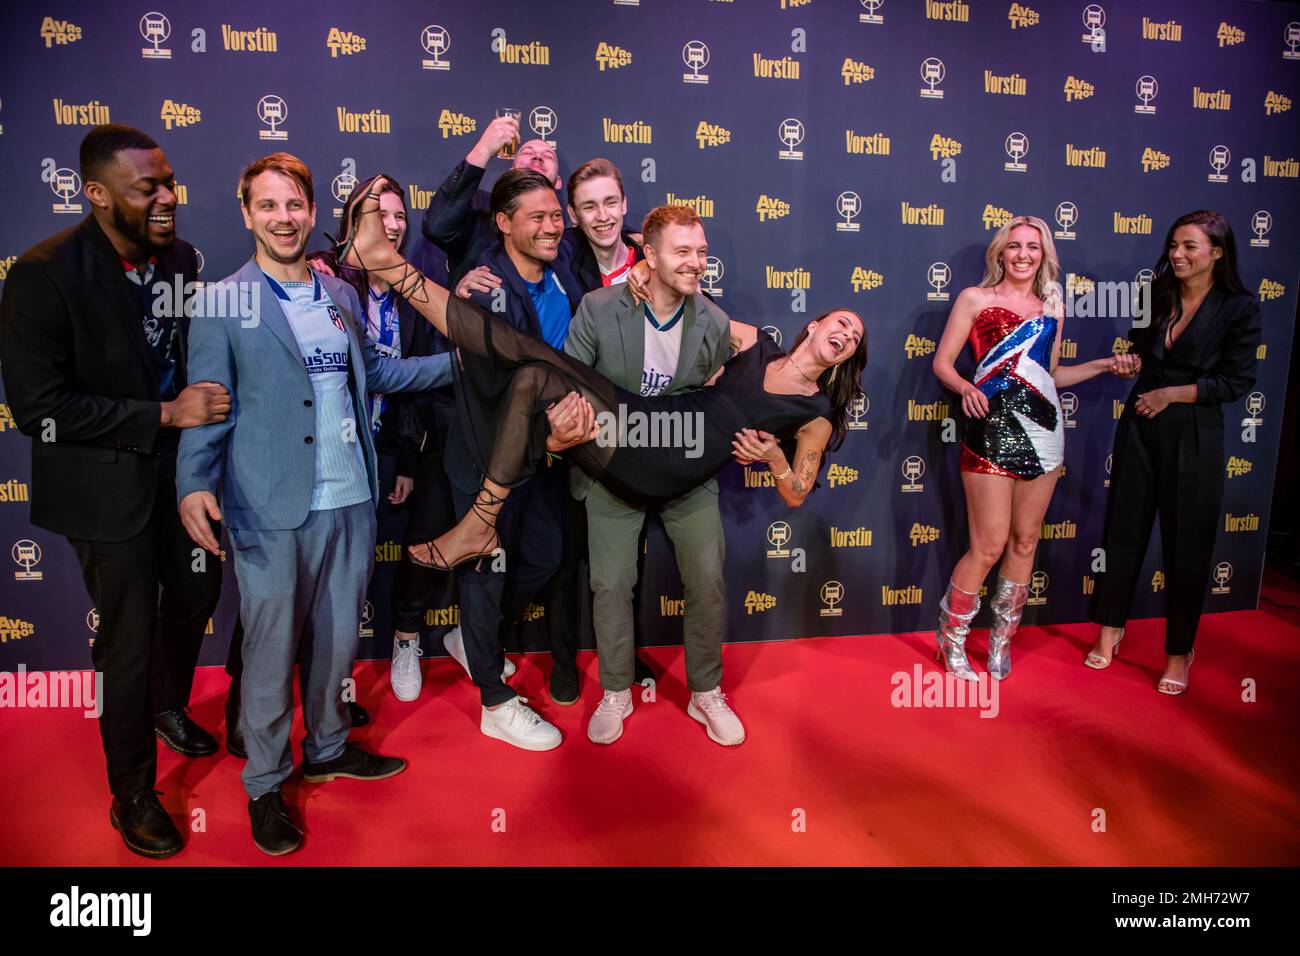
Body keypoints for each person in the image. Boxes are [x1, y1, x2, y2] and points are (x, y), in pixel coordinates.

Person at [336, 184, 868, 744]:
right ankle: (495, 538)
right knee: (531, 366)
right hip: (637, 429)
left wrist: (775, 457)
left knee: (530, 365)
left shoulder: (816, 413)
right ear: (813, 324)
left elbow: (796, 490)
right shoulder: (752, 341)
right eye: (840, 323)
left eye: (854, 337)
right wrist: (644, 268)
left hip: (681, 459)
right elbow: (675, 283)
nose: (844, 335)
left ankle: (705, 692)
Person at [176, 153, 452, 856]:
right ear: (246, 213)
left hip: (351, 496)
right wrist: (193, 482)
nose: (283, 217)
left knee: (335, 643)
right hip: (267, 507)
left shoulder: (340, 295)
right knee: (270, 654)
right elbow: (206, 406)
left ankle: (328, 747)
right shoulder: (222, 302)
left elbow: (376, 370)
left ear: (312, 212)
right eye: (268, 205)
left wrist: (461, 361)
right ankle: (266, 784)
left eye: (294, 204)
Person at [0, 124, 229, 859]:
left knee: (195, 595)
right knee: (127, 642)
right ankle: (132, 792)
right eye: (146, 188)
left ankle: (166, 705)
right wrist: (163, 414)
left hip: (179, 476)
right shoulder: (43, 275)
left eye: (169, 182)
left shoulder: (181, 260)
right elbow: (39, 410)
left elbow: (192, 355)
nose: (167, 198)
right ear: (96, 194)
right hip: (105, 489)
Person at [930, 215, 1140, 681]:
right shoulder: (975, 298)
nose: (1023, 254)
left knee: (1025, 540)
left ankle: (1002, 640)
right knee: (988, 545)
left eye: (1033, 247)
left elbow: (1050, 374)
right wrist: (965, 386)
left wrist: (1102, 365)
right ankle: (952, 637)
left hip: (1044, 432)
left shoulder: (1052, 307)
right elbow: (943, 363)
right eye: (1015, 246)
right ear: (1000, 252)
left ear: (1044, 255)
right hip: (991, 428)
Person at [563, 204, 733, 745]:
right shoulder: (598, 308)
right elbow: (569, 381)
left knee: (706, 576)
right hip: (614, 464)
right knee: (611, 581)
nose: (696, 262)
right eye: (682, 251)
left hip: (683, 463)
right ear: (650, 256)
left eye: (702, 252)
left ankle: (706, 690)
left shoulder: (714, 322)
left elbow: (712, 393)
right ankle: (616, 689)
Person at [1087, 210, 1260, 694]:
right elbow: (1143, 351)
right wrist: (1131, 363)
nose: (1177, 254)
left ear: (1217, 252)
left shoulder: (1239, 308)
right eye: (1173, 245)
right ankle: (1109, 629)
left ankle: (1179, 653)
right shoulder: (1156, 293)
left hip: (1195, 433)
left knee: (1187, 545)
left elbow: (1237, 381)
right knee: (1123, 530)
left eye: (1189, 246)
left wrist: (1172, 394)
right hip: (1141, 425)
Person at [423, 112, 561, 285]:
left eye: (548, 156)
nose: (537, 157)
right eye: (527, 153)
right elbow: (437, 226)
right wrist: (484, 149)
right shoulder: (479, 206)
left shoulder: (561, 232)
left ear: (558, 182)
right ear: (511, 172)